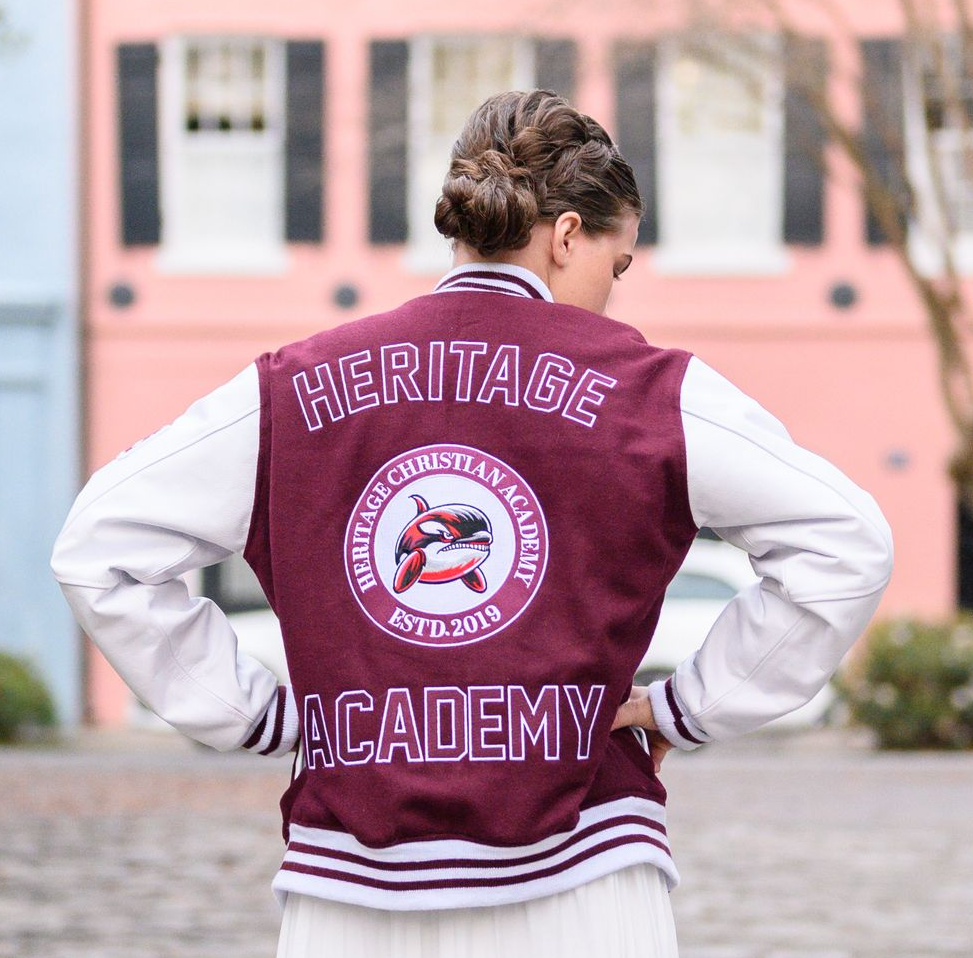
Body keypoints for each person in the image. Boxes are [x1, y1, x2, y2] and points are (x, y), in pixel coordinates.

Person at [51, 89, 894, 958]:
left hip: (350, 884)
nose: (613, 289)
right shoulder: (651, 392)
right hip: (582, 872)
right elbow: (846, 543)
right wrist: (689, 708)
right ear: (567, 234)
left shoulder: (293, 388)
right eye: (620, 261)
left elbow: (100, 551)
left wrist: (257, 715)